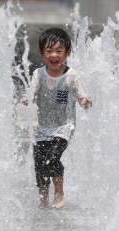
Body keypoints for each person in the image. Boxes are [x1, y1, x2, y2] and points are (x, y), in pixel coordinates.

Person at [22, 27, 92, 209]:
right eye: (49, 50)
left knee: (52, 159)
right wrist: (27, 97)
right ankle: (43, 200)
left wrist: (85, 101)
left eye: (59, 51)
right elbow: (32, 91)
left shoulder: (71, 75)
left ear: (67, 53)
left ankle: (59, 193)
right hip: (44, 128)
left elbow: (81, 96)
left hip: (64, 127)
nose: (54, 55)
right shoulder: (38, 74)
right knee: (40, 164)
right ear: (41, 52)